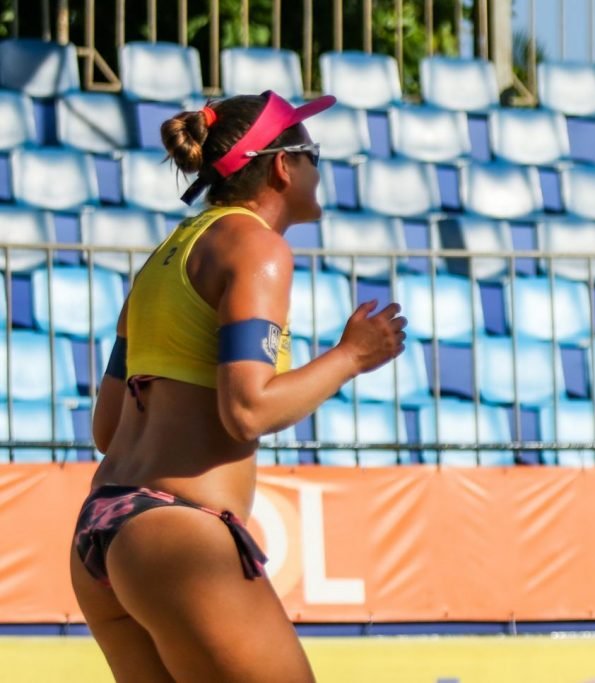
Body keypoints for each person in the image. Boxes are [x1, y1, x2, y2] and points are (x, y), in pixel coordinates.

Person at [70, 90, 407, 682]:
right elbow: (247, 411)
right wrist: (351, 357)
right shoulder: (255, 246)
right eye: (313, 154)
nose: (318, 169)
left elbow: (106, 429)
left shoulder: (163, 259)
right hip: (175, 537)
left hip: (102, 526)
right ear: (282, 164)